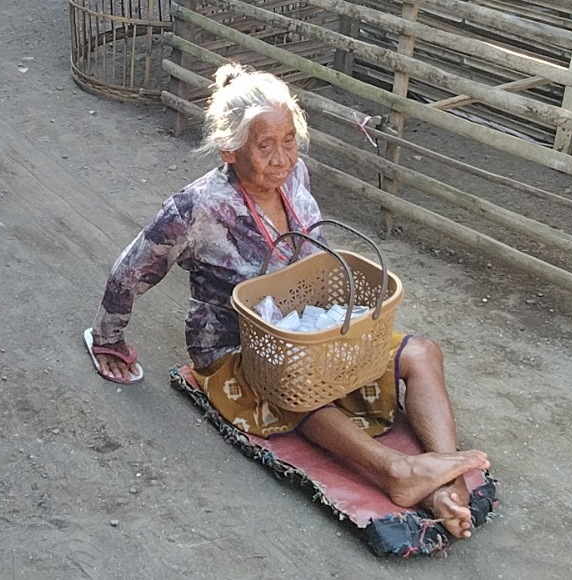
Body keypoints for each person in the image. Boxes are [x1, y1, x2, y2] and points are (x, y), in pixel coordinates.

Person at [88, 63, 489, 539]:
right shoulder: (196, 208)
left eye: (289, 141)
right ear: (230, 150)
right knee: (296, 389)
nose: (281, 159)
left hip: (305, 328)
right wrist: (109, 339)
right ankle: (395, 471)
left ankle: (446, 484)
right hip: (238, 348)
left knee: (422, 353)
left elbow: (313, 247)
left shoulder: (295, 176)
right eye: (265, 146)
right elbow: (131, 270)